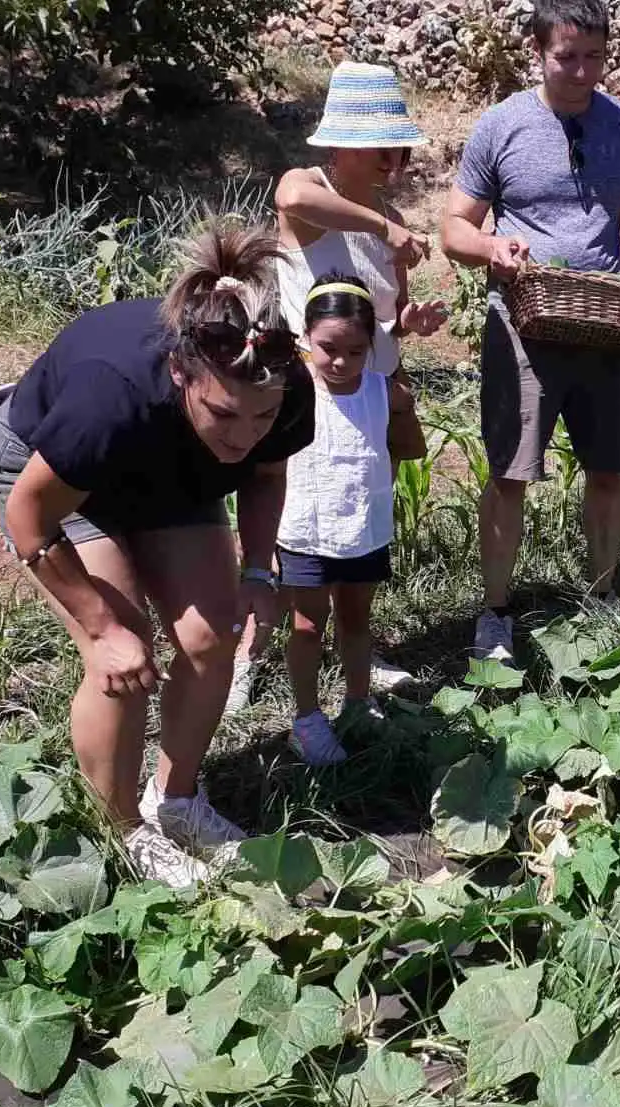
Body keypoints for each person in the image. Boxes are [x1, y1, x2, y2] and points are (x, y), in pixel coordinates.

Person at [0, 227, 314, 886]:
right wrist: (99, 630)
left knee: (212, 636)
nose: (246, 435)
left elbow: (266, 476)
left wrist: (255, 571)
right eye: (225, 413)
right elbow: (29, 517)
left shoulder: (280, 386)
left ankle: (178, 801)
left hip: (171, 469)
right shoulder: (112, 397)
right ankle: (124, 826)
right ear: (181, 371)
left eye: (262, 417)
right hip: (52, 477)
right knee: (125, 652)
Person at [440, 0, 620, 665]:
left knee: (609, 470)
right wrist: (494, 250)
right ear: (537, 52)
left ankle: (602, 600)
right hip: (524, 324)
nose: (582, 72)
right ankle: (494, 614)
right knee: (510, 473)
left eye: (595, 58)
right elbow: (454, 228)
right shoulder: (502, 126)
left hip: (605, 325)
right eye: (566, 57)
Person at [227, 62, 448, 713]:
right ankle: (252, 650)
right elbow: (290, 200)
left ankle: (354, 650)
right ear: (344, 143)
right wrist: (380, 228)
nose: (393, 159)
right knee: (281, 520)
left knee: (352, 519)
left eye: (398, 147)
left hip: (364, 397)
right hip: (298, 394)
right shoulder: (314, 191)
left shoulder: (393, 216)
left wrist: (410, 323)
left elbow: (383, 318)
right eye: (381, 146)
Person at [277, 273, 415, 765]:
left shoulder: (386, 393)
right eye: (327, 347)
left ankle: (358, 703)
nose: (340, 361)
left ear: (371, 347)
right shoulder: (292, 391)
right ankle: (308, 718)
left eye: (355, 351)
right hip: (305, 530)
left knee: (357, 620)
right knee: (309, 625)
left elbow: (405, 449)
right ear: (305, 338)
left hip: (364, 530)